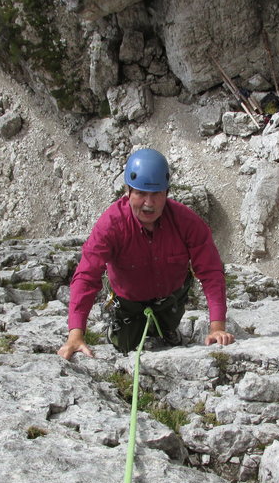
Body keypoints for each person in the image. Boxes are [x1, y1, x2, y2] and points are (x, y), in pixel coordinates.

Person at [57, 148, 235, 360]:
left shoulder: (187, 222)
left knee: (167, 333)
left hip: (170, 298)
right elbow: (87, 275)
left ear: (167, 193)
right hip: (128, 301)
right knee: (124, 344)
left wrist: (217, 327)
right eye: (141, 193)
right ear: (128, 191)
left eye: (156, 194)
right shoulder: (111, 225)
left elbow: (211, 271)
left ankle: (167, 327)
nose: (149, 203)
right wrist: (75, 335)